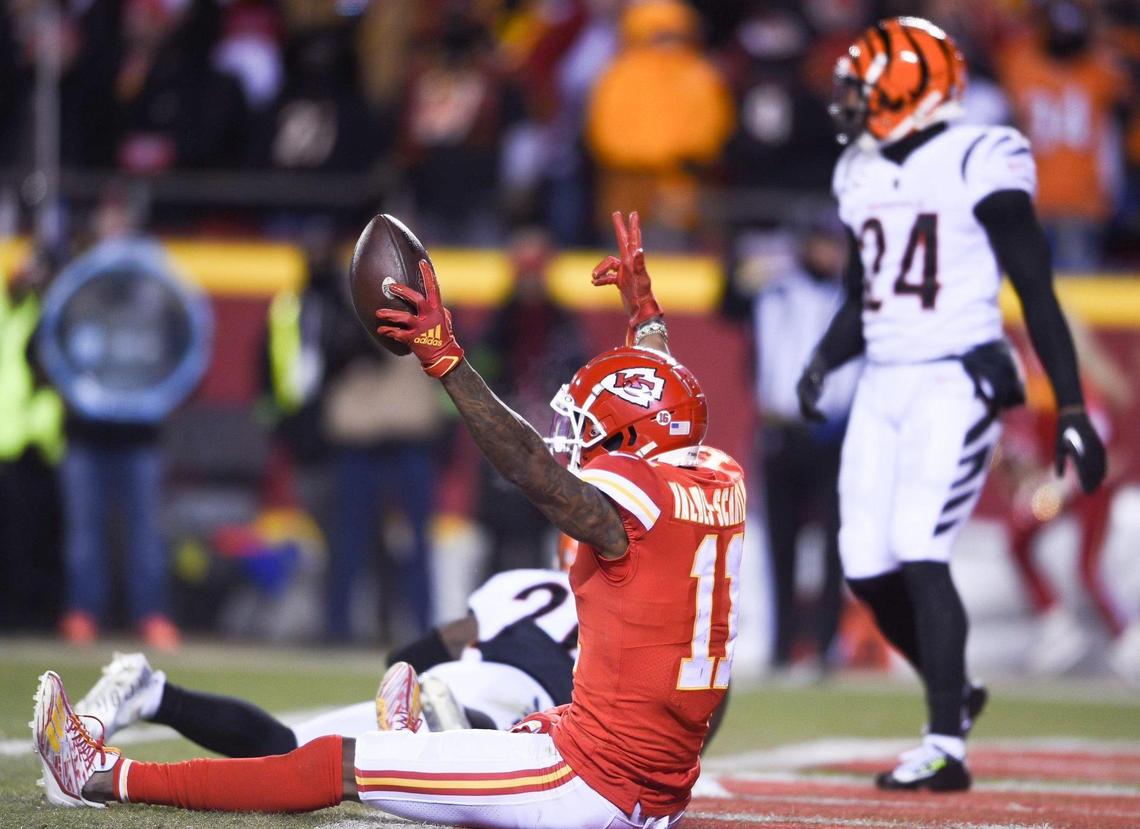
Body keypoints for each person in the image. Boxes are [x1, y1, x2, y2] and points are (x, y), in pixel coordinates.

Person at [34, 211, 746, 828]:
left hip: (593, 782)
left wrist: (446, 360)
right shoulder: (714, 474)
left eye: (596, 429)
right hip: (649, 778)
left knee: (331, 764)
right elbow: (665, 416)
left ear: (630, 443)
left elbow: (534, 468)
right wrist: (645, 318)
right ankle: (423, 743)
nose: (580, 438)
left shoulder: (633, 504)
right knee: (487, 734)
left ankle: (100, 775)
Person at [796, 17, 1107, 792]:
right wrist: (824, 359)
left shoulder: (982, 152)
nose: (849, 103)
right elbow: (865, 294)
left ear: (909, 88)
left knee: (919, 545)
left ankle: (944, 742)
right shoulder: (859, 172)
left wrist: (1068, 404)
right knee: (864, 563)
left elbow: (1035, 283)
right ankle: (955, 688)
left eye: (863, 88)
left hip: (955, 376)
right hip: (883, 378)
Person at [73, 566, 579, 759]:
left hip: (453, 674)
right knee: (503, 738)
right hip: (529, 695)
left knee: (289, 748)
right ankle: (456, 728)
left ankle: (153, 692)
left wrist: (410, 665)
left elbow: (437, 644)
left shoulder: (523, 584)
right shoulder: (625, 604)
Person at [751, 217, 858, 673]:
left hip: (834, 432)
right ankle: (781, 644)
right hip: (782, 429)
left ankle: (825, 646)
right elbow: (728, 295)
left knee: (837, 542)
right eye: (821, 243)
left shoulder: (853, 297)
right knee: (782, 541)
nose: (829, 254)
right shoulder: (775, 289)